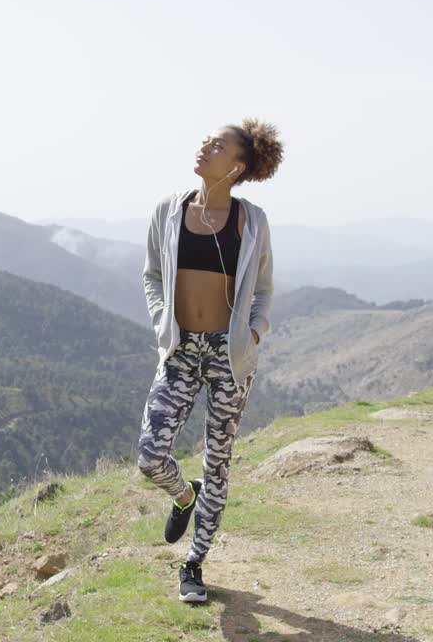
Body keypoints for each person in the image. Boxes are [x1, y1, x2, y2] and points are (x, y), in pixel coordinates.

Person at [137, 118, 282, 602]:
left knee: (218, 460)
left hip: (229, 355)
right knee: (151, 456)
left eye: (217, 145)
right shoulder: (169, 210)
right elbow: (153, 275)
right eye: (207, 140)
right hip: (180, 350)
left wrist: (254, 334)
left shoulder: (252, 222)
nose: (205, 146)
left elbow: (262, 290)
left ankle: (194, 565)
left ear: (236, 166)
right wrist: (163, 321)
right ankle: (184, 495)